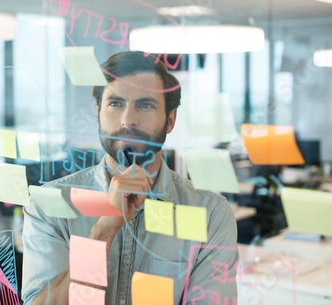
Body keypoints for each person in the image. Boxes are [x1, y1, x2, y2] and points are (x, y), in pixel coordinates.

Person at [21, 51, 238, 305]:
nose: (127, 120)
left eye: (145, 105)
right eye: (115, 103)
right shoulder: (50, 206)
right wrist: (104, 230)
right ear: (98, 111)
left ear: (170, 120)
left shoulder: (210, 215)